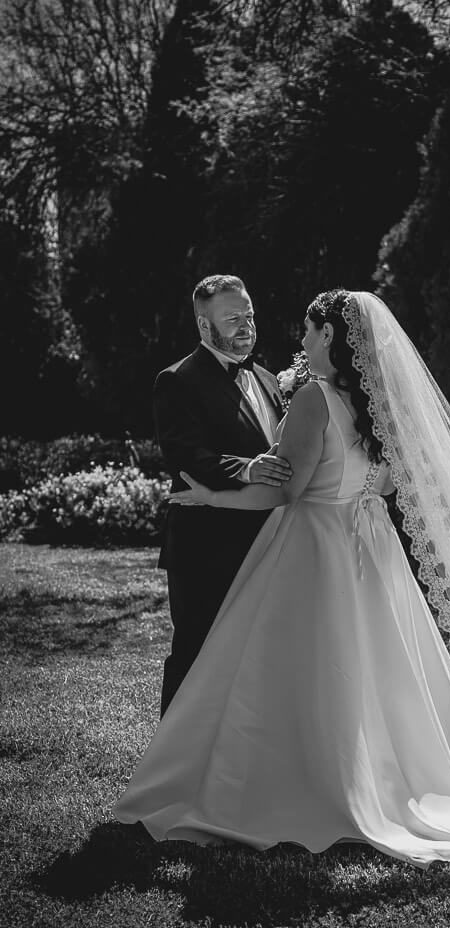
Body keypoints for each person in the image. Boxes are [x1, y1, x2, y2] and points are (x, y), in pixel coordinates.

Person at [116, 291, 450, 891]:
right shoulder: (373, 403)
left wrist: (210, 496)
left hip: (314, 547)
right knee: (376, 666)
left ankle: (299, 781)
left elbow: (288, 491)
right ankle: (393, 777)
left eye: (307, 331)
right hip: (370, 548)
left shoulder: (311, 397)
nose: (297, 341)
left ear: (330, 337)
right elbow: (377, 481)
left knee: (295, 666)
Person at [154, 274, 291, 716]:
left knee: (259, 657)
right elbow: (186, 457)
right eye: (232, 318)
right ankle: (167, 765)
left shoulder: (271, 380)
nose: (246, 325)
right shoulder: (177, 381)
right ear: (203, 325)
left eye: (248, 315)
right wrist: (249, 468)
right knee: (196, 652)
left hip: (272, 542)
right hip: (206, 546)